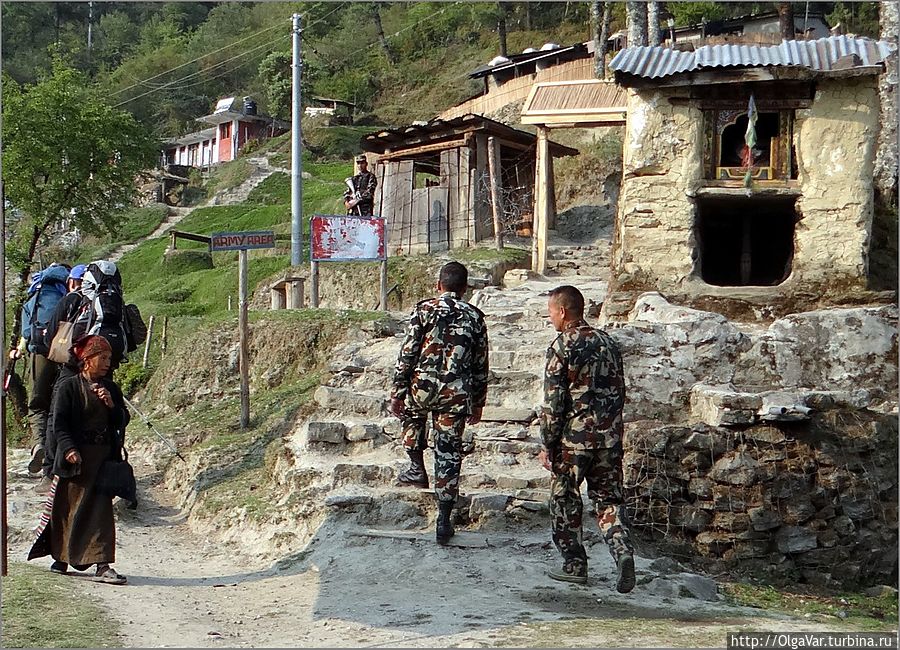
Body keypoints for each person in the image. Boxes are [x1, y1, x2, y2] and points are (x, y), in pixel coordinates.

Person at [538, 285, 635, 592]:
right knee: (607, 501)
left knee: (565, 499)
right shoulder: (608, 342)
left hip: (573, 440)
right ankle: (622, 552)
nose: (550, 317)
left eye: (551, 311)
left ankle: (574, 564)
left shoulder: (562, 346)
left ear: (563, 312)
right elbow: (620, 391)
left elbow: (554, 403)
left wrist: (547, 443)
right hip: (608, 439)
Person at [389, 261, 489, 544]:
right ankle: (444, 518)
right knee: (448, 452)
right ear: (466, 288)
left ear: (438, 286)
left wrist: (397, 390)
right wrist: (478, 401)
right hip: (455, 394)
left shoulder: (424, 310)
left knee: (411, 415)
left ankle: (415, 467)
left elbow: (407, 353)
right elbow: (481, 364)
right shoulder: (475, 318)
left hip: (421, 387)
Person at [27, 335, 130, 585]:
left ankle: (103, 565)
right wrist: (69, 449)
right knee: (68, 510)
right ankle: (61, 558)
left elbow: (121, 420)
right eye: (102, 358)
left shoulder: (111, 388)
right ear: (86, 361)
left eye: (108, 358)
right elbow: (59, 423)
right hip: (75, 460)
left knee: (101, 512)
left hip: (102, 459)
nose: (107, 363)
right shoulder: (68, 387)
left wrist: (111, 405)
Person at [10, 263, 71, 488]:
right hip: (64, 351)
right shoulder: (68, 287)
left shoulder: (37, 289)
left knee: (37, 405)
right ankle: (56, 462)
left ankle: (39, 446)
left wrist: (19, 348)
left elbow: (29, 325)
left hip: (39, 352)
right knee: (59, 406)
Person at [31, 263, 88, 489]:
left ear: (70, 281)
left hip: (48, 354)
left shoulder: (60, 298)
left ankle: (43, 454)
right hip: (82, 362)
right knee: (73, 408)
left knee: (43, 405)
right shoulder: (91, 301)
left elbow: (48, 334)